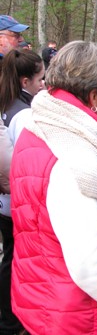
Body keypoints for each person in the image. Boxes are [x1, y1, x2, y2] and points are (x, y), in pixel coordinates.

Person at [10, 41, 97, 335]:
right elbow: (89, 265)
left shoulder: (37, 123)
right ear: (94, 96)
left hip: (41, 295)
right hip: (76, 313)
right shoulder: (76, 156)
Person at [0, 49, 44, 335]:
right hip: (16, 202)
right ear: (26, 80)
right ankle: (10, 318)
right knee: (17, 261)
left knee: (9, 258)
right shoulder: (24, 114)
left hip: (4, 201)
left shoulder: (5, 103)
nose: (44, 84)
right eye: (41, 79)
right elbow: (25, 164)